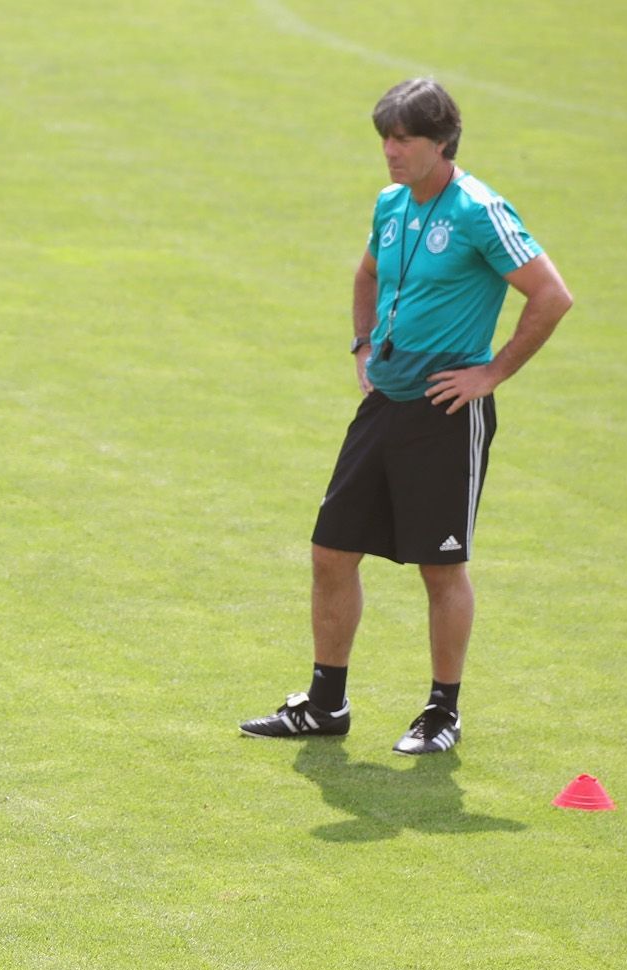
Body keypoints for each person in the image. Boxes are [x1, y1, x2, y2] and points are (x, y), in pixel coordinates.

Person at [241, 78, 572, 754]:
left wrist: (491, 373)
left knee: (440, 568)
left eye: (404, 139)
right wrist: (362, 344)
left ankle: (441, 713)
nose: (390, 151)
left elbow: (551, 295)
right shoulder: (390, 204)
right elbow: (367, 275)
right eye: (385, 139)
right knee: (331, 552)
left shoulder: (480, 210)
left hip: (445, 413)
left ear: (441, 141)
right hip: (384, 404)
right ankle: (326, 704)